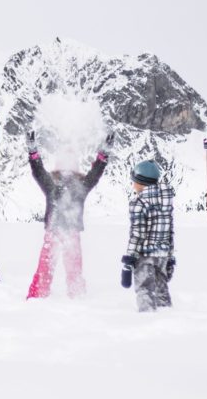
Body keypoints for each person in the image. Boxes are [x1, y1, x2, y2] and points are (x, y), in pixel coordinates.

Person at [26, 130, 112, 298]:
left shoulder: (76, 185)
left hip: (66, 232)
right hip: (56, 232)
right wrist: (32, 152)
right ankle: (69, 296)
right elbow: (38, 171)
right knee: (53, 268)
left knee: (61, 268)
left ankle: (64, 297)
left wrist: (103, 155)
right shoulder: (58, 184)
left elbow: (95, 174)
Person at [121, 159, 176, 311]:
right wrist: (170, 258)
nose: (133, 184)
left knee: (144, 289)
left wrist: (129, 260)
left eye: (134, 181)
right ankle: (168, 320)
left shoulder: (139, 203)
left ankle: (148, 322)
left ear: (141, 182)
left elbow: (137, 233)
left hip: (145, 256)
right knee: (161, 292)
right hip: (162, 256)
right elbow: (169, 232)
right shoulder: (166, 202)